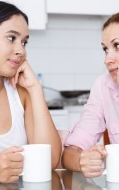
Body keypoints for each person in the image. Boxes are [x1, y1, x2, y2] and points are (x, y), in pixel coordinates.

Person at [0, 1, 61, 183]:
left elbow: (49, 161)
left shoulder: (21, 94)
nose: (21, 50)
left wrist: (35, 88)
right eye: (11, 38)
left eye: (24, 42)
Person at [62, 12, 119, 178]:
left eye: (117, 46)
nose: (107, 59)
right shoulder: (103, 86)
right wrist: (82, 160)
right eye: (105, 49)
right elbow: (70, 153)